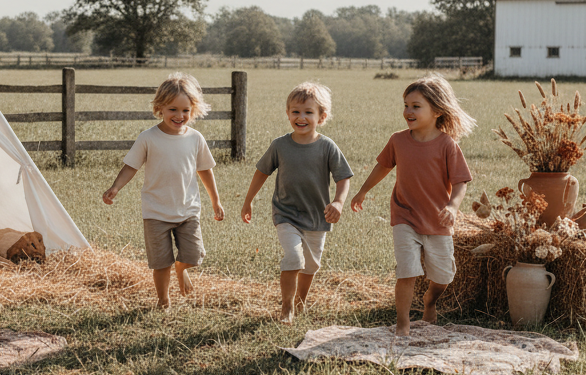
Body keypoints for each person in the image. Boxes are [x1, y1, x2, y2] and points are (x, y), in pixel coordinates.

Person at [350, 74, 476, 336]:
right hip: (404, 215)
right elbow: (383, 166)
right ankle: (403, 324)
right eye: (406, 104)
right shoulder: (398, 140)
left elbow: (461, 182)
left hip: (436, 221)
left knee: (443, 276)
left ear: (437, 111)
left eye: (416, 106)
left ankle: (430, 301)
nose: (408, 111)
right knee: (406, 271)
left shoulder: (447, 145)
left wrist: (452, 207)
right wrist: (362, 191)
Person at [102, 73, 225, 309]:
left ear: (193, 110)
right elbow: (131, 166)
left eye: (186, 110)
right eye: (173, 109)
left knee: (193, 256)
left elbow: (205, 171)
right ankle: (163, 300)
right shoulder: (148, 138)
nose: (180, 116)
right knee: (160, 263)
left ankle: (182, 269)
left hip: (187, 211)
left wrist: (215, 201)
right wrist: (115, 187)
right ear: (160, 108)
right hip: (155, 212)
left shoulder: (196, 139)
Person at [240, 82, 353, 323]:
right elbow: (262, 172)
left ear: (321, 117)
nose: (301, 117)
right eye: (295, 111)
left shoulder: (327, 147)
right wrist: (248, 201)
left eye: (308, 112)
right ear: (288, 113)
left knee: (311, 266)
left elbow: (343, 178)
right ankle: (287, 307)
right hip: (286, 214)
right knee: (294, 258)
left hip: (316, 216)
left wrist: (339, 203)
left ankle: (301, 301)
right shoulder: (280, 145)